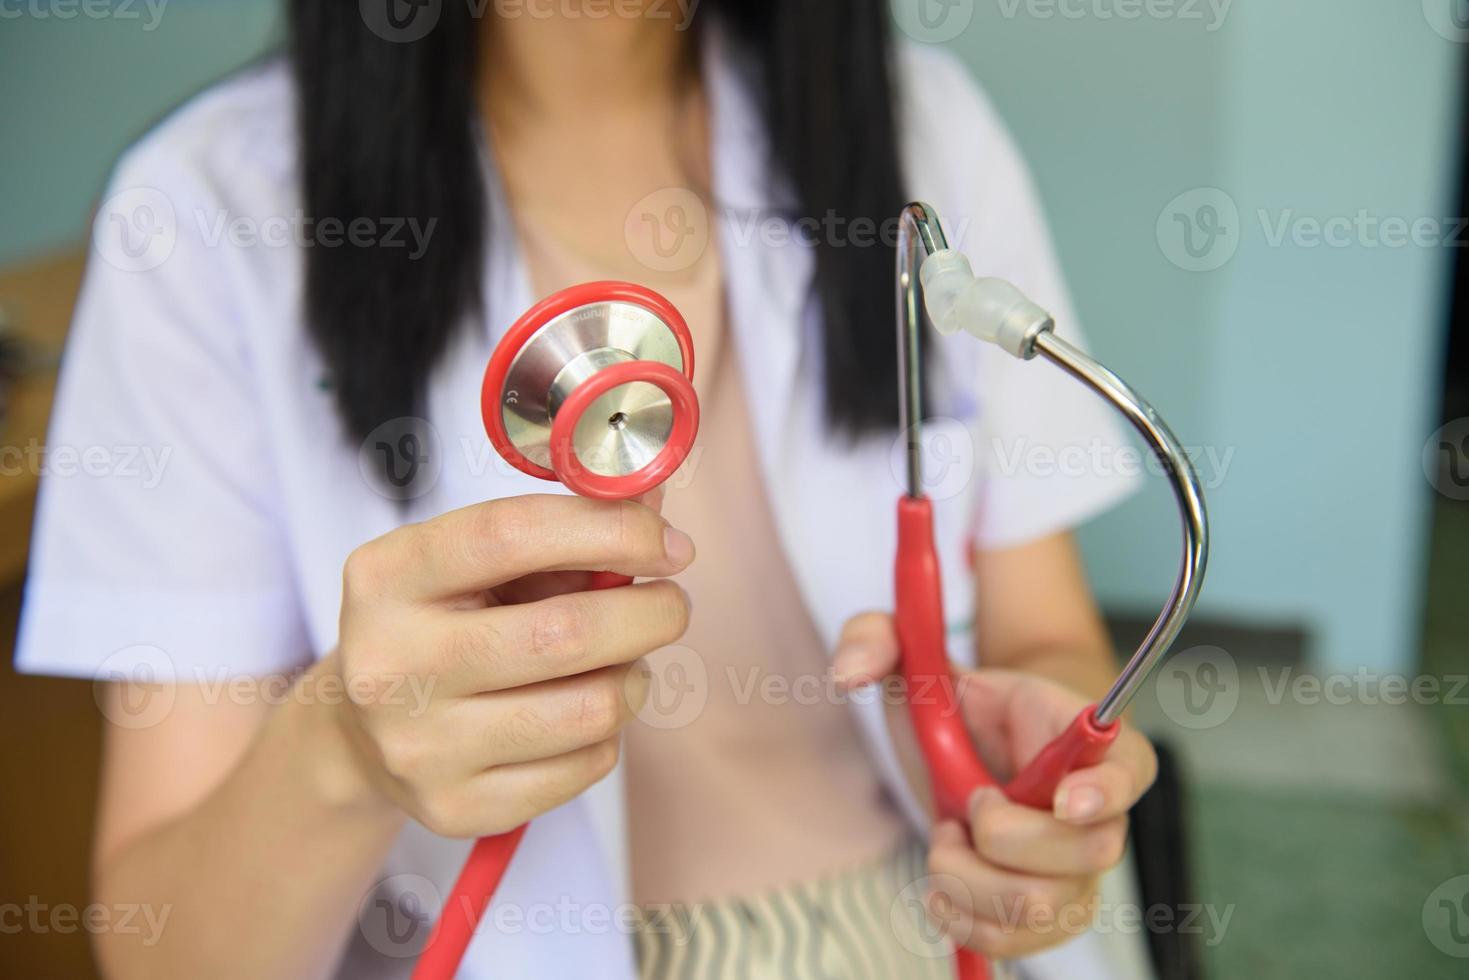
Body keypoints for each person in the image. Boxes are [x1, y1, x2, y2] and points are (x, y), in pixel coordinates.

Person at [16, 3, 1158, 978]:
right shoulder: (200, 214)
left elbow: (1045, 639)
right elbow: (161, 944)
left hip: (938, 922)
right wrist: (345, 750)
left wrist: (1030, 773)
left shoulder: (924, 134)